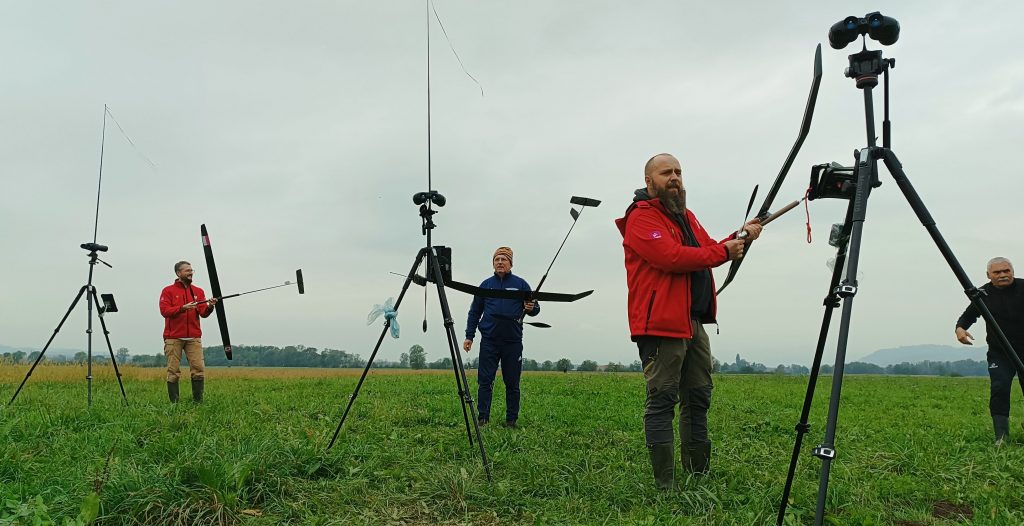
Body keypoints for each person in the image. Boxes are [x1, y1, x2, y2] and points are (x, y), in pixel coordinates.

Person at [615, 153, 761, 489]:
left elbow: (707, 247)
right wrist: (725, 252)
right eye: (666, 172)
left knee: (698, 396)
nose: (675, 177)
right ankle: (665, 485)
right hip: (660, 324)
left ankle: (697, 474)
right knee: (663, 398)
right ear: (649, 180)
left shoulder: (687, 216)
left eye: (678, 172)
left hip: (692, 322)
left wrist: (740, 236)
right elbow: (671, 257)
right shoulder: (641, 218)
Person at [463, 247, 539, 428]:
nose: (500, 262)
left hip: (512, 342)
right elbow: (474, 312)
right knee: (485, 381)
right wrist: (469, 336)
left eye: (504, 259)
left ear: (511, 263)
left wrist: (531, 308)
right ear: (493, 263)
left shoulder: (521, 284)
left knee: (512, 382)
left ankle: (511, 420)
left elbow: (535, 308)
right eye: (496, 259)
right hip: (489, 341)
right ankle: (483, 418)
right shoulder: (485, 285)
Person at [955, 257, 1024, 444]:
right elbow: (967, 317)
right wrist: (960, 329)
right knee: (999, 387)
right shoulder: (982, 294)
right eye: (997, 272)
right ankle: (1001, 437)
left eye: (1006, 271)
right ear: (989, 275)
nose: (1002, 275)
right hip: (999, 353)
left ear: (1012, 271)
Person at [159, 260, 217, 403]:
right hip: (173, 338)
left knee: (198, 369)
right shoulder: (168, 291)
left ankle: (198, 402)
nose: (191, 273)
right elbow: (164, 311)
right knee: (173, 371)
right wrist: (182, 308)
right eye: (187, 270)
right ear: (179, 273)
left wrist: (210, 306)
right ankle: (174, 404)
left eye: (192, 270)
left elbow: (203, 313)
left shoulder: (198, 291)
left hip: (194, 337)